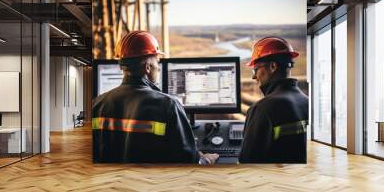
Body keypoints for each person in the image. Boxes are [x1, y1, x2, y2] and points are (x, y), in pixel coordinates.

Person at [92, 31, 218, 164]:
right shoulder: (169, 106)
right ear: (147, 67)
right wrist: (206, 160)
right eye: (157, 61)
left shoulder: (96, 104)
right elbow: (188, 164)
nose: (158, 67)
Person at [239, 37, 308, 163]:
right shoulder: (307, 102)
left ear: (272, 66)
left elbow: (246, 162)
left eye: (256, 69)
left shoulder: (262, 109)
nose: (254, 76)